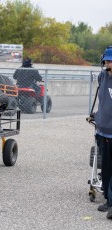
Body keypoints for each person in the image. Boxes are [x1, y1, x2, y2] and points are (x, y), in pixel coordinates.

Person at [94, 45, 112, 219]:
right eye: (106, 60)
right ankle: (108, 200)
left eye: (110, 60)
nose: (108, 63)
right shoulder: (102, 76)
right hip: (103, 131)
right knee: (105, 169)